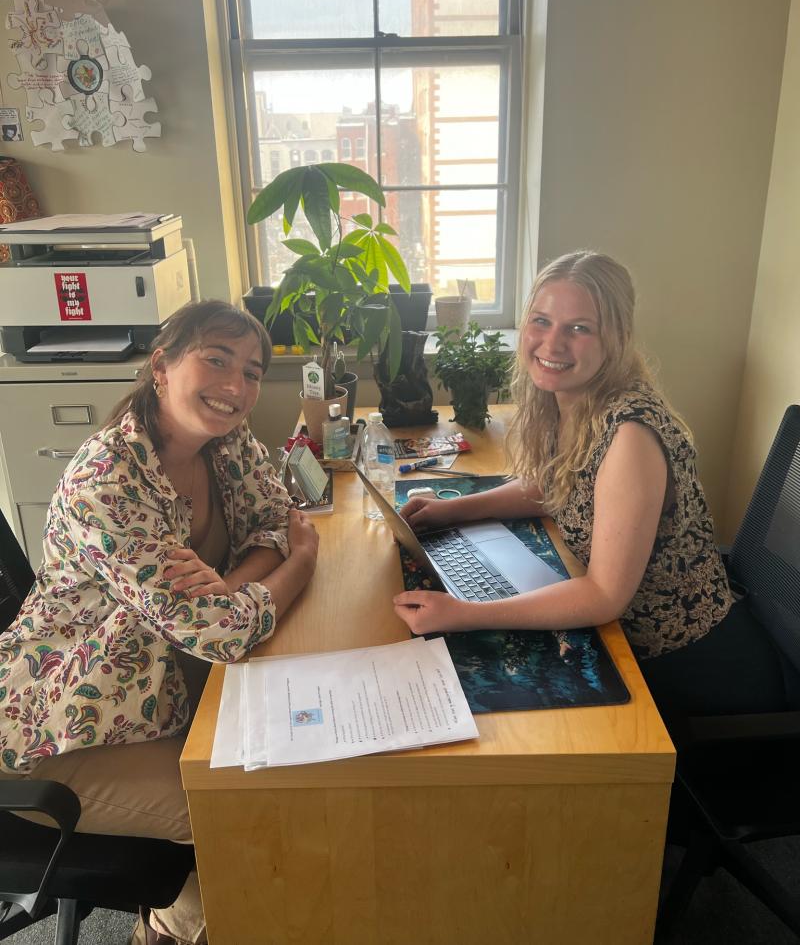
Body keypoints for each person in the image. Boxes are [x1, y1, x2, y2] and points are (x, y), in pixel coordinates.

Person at [0, 300, 319, 945]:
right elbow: (235, 619)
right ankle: (170, 932)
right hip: (58, 731)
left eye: (252, 371)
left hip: (163, 687)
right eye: (216, 360)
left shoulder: (226, 444)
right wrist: (301, 563)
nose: (236, 386)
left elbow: (272, 521)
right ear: (161, 367)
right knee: (251, 809)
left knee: (295, 770)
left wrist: (230, 589)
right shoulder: (109, 480)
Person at [393, 251, 794, 730]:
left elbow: (604, 596)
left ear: (616, 338)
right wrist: (451, 512)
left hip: (683, 666)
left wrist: (465, 612)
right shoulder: (571, 398)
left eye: (579, 328)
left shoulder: (631, 436)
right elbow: (553, 486)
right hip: (619, 640)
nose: (553, 342)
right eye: (541, 321)